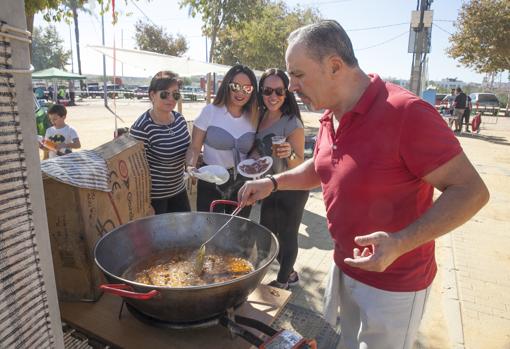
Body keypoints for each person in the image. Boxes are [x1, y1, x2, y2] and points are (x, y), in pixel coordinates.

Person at [238, 20, 489, 349]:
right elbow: (324, 166)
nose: (292, 87)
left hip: (394, 287)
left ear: (334, 66)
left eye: (298, 74)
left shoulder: (407, 113)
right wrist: (273, 182)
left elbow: (472, 191)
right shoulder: (331, 113)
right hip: (344, 270)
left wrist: (400, 242)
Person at [249, 68, 308, 290]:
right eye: (267, 90)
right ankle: (290, 271)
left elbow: (300, 162)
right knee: (268, 233)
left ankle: (283, 282)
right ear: (261, 92)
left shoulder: (292, 122)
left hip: (292, 187)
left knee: (288, 235)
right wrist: (253, 160)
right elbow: (257, 148)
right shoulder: (260, 116)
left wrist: (288, 153)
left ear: (286, 93)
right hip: (269, 185)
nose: (273, 96)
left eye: (279, 91)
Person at [185, 64, 258, 217]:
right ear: (226, 86)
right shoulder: (210, 112)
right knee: (210, 230)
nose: (241, 92)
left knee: (238, 231)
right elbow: (194, 147)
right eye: (236, 86)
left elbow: (255, 149)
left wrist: (255, 164)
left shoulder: (255, 116)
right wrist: (191, 166)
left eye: (247, 88)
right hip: (211, 180)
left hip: (242, 182)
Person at [130, 71, 191, 214]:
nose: (171, 99)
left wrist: (191, 165)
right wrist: (146, 203)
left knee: (184, 233)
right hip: (155, 198)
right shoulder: (142, 127)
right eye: (164, 94)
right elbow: (134, 171)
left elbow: (187, 148)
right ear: (152, 95)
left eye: (175, 94)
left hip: (178, 190)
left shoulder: (179, 119)